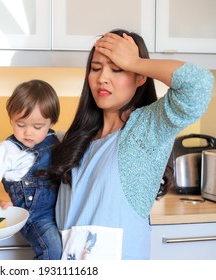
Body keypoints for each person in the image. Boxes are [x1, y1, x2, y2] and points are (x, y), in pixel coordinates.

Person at [50, 29, 214, 260]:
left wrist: (134, 61)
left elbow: (199, 84)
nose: (102, 78)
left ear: (140, 76)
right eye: (96, 68)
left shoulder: (143, 131)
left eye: (117, 68)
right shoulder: (77, 139)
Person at [0, 79, 62, 260]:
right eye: (20, 125)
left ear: (51, 122)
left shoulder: (59, 139)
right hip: (36, 219)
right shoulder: (8, 150)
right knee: (52, 250)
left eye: (37, 127)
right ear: (11, 119)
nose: (28, 133)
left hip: (61, 212)